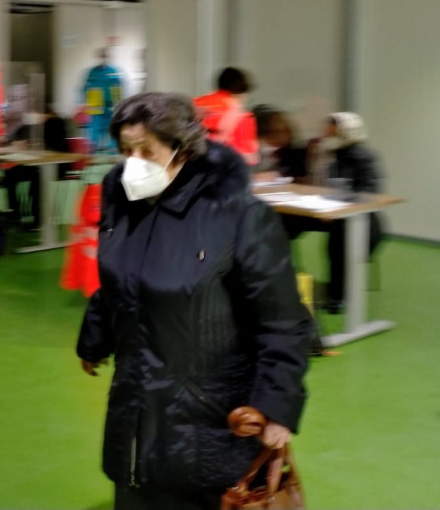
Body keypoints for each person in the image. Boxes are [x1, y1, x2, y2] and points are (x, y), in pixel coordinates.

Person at [77, 92, 311, 509]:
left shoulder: (238, 215)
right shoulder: (122, 203)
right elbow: (120, 281)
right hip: (136, 410)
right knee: (135, 490)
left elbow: (282, 320)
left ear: (182, 150)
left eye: (147, 151)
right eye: (126, 150)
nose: (134, 163)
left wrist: (277, 404)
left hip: (209, 420)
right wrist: (95, 336)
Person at [306, 111, 385, 313]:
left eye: (332, 131)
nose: (327, 134)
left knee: (341, 249)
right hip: (341, 217)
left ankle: (338, 297)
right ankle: (336, 293)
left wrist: (338, 205)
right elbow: (330, 187)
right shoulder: (337, 156)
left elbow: (369, 191)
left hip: (364, 222)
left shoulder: (362, 156)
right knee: (334, 247)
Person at [193, 67, 259, 165]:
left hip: (189, 166)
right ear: (242, 92)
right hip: (221, 168)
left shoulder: (193, 104)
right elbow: (250, 158)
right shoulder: (241, 115)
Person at [81, 48, 123, 151]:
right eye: (102, 56)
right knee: (94, 130)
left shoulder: (113, 72)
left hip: (110, 106)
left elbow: (118, 88)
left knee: (111, 129)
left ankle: (112, 151)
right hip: (95, 106)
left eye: (105, 56)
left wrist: (118, 104)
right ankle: (93, 149)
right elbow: (85, 88)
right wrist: (84, 103)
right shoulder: (92, 72)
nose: (103, 58)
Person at [253, 105, 307, 181]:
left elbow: (299, 177)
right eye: (275, 131)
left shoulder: (294, 154)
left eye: (285, 131)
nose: (281, 136)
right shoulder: (250, 150)